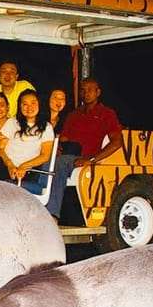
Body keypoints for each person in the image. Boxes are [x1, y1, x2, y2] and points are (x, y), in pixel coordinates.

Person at [47, 78, 123, 219]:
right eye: (83, 90)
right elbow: (63, 139)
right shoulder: (73, 115)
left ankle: (52, 215)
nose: (86, 93)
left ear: (98, 92)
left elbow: (117, 142)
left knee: (60, 163)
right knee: (44, 161)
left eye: (90, 90)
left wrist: (92, 160)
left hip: (87, 157)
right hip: (69, 154)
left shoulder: (106, 114)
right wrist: (55, 149)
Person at [0, 89, 55, 185]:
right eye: (25, 104)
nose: (29, 107)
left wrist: (24, 166)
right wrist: (9, 164)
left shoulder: (47, 127)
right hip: (5, 166)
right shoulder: (12, 122)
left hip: (29, 170)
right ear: (20, 106)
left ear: (39, 105)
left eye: (33, 103)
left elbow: (45, 155)